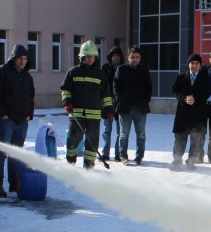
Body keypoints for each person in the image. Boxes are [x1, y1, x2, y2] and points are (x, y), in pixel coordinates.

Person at [0, 44, 35, 196]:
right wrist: (1, 114)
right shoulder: (1, 72)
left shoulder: (27, 76)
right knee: (1, 152)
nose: (22, 61)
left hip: (22, 121)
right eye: (20, 58)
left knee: (16, 153)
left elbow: (31, 96)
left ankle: (14, 183)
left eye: (25, 59)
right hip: (5, 120)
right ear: (13, 58)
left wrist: (30, 113)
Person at [61, 41, 113, 169]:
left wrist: (109, 109)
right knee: (73, 139)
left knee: (92, 143)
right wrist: (67, 102)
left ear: (96, 57)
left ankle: (89, 166)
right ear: (81, 57)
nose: (89, 59)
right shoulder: (73, 72)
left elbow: (106, 95)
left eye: (92, 56)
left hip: (94, 116)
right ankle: (71, 161)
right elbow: (65, 90)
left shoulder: (100, 74)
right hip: (76, 114)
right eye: (87, 56)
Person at [170, 54, 211, 171]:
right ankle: (176, 161)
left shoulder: (205, 78)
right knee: (179, 140)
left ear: (200, 65)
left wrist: (195, 99)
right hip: (183, 113)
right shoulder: (181, 77)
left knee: (196, 140)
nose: (194, 65)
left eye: (197, 63)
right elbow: (175, 90)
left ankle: (191, 161)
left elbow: (207, 92)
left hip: (198, 114)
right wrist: (184, 98)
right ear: (188, 64)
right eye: (192, 63)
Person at [113, 46, 152, 166]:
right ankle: (123, 156)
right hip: (125, 108)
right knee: (124, 134)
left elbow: (149, 88)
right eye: (132, 57)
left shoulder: (144, 70)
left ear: (140, 58)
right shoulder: (121, 70)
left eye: (137, 57)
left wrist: (145, 100)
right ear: (128, 57)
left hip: (140, 108)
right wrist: (121, 100)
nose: (135, 59)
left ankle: (139, 156)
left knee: (141, 134)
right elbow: (116, 87)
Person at [100, 46, 123, 163]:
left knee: (120, 130)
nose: (115, 57)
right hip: (108, 102)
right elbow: (102, 85)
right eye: (113, 55)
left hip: (120, 103)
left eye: (117, 55)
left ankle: (118, 154)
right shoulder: (105, 68)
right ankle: (105, 153)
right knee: (106, 129)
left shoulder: (124, 68)